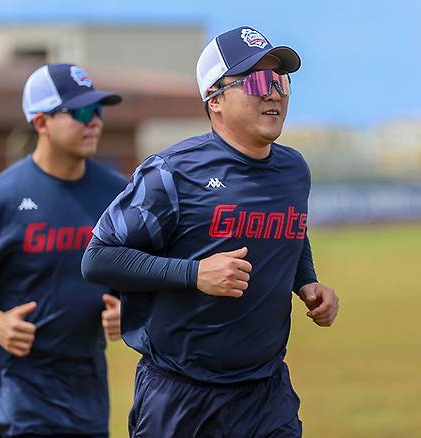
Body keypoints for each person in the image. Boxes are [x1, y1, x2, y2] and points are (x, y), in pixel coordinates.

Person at [82, 26, 339, 437]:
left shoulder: (293, 170)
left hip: (266, 394)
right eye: (256, 80)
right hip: (181, 394)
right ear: (214, 98)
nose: (273, 93)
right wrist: (194, 274)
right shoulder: (171, 172)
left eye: (280, 81)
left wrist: (306, 282)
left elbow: (290, 229)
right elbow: (98, 258)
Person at [0, 63, 128, 438]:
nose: (95, 122)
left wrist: (130, 307)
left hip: (88, 386)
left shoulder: (118, 193)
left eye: (99, 110)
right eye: (82, 112)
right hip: (19, 387)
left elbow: (134, 265)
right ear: (41, 122)